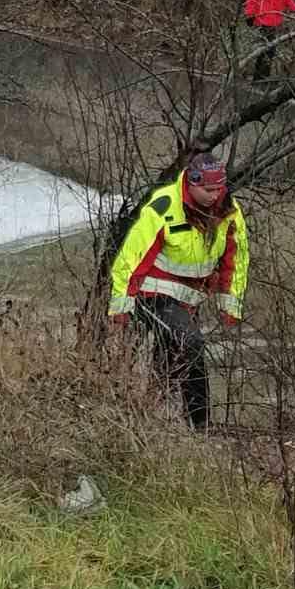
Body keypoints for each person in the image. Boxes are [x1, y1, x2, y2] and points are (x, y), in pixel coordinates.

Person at [108, 153, 249, 430]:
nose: (214, 195)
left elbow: (236, 258)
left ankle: (153, 417)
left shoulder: (229, 212)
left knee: (171, 358)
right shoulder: (163, 207)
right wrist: (121, 306)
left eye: (218, 189)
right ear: (192, 183)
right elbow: (132, 257)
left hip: (189, 301)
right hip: (152, 295)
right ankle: (202, 426)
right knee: (191, 344)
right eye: (208, 190)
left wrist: (230, 304)